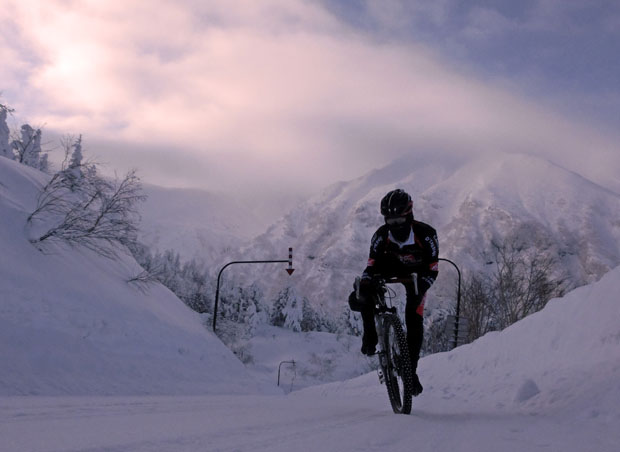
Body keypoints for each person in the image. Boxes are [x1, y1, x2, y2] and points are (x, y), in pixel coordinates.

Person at [348, 188, 438, 396]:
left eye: (399, 221)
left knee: (414, 319)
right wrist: (366, 285)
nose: (394, 226)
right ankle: (370, 334)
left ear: (409, 215)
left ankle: (411, 372)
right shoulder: (380, 237)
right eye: (390, 221)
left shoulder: (426, 235)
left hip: (417, 274)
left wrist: (422, 285)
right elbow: (370, 266)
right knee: (362, 294)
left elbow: (433, 268)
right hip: (386, 268)